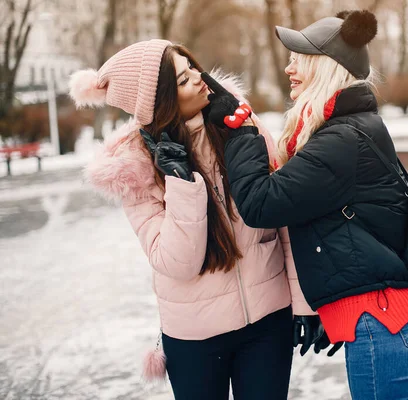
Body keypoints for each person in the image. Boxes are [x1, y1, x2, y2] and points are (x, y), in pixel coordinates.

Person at [68, 39, 321, 400]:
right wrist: (182, 182)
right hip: (195, 339)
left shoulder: (239, 123)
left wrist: (304, 301)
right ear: (160, 102)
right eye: (184, 80)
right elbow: (176, 262)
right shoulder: (134, 167)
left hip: (269, 321)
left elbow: (283, 217)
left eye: (193, 69)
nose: (200, 79)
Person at [203, 10, 408, 400]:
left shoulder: (342, 140)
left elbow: (262, 203)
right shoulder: (349, 129)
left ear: (326, 68)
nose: (289, 68)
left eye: (299, 59)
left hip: (382, 325)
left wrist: (240, 133)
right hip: (384, 322)